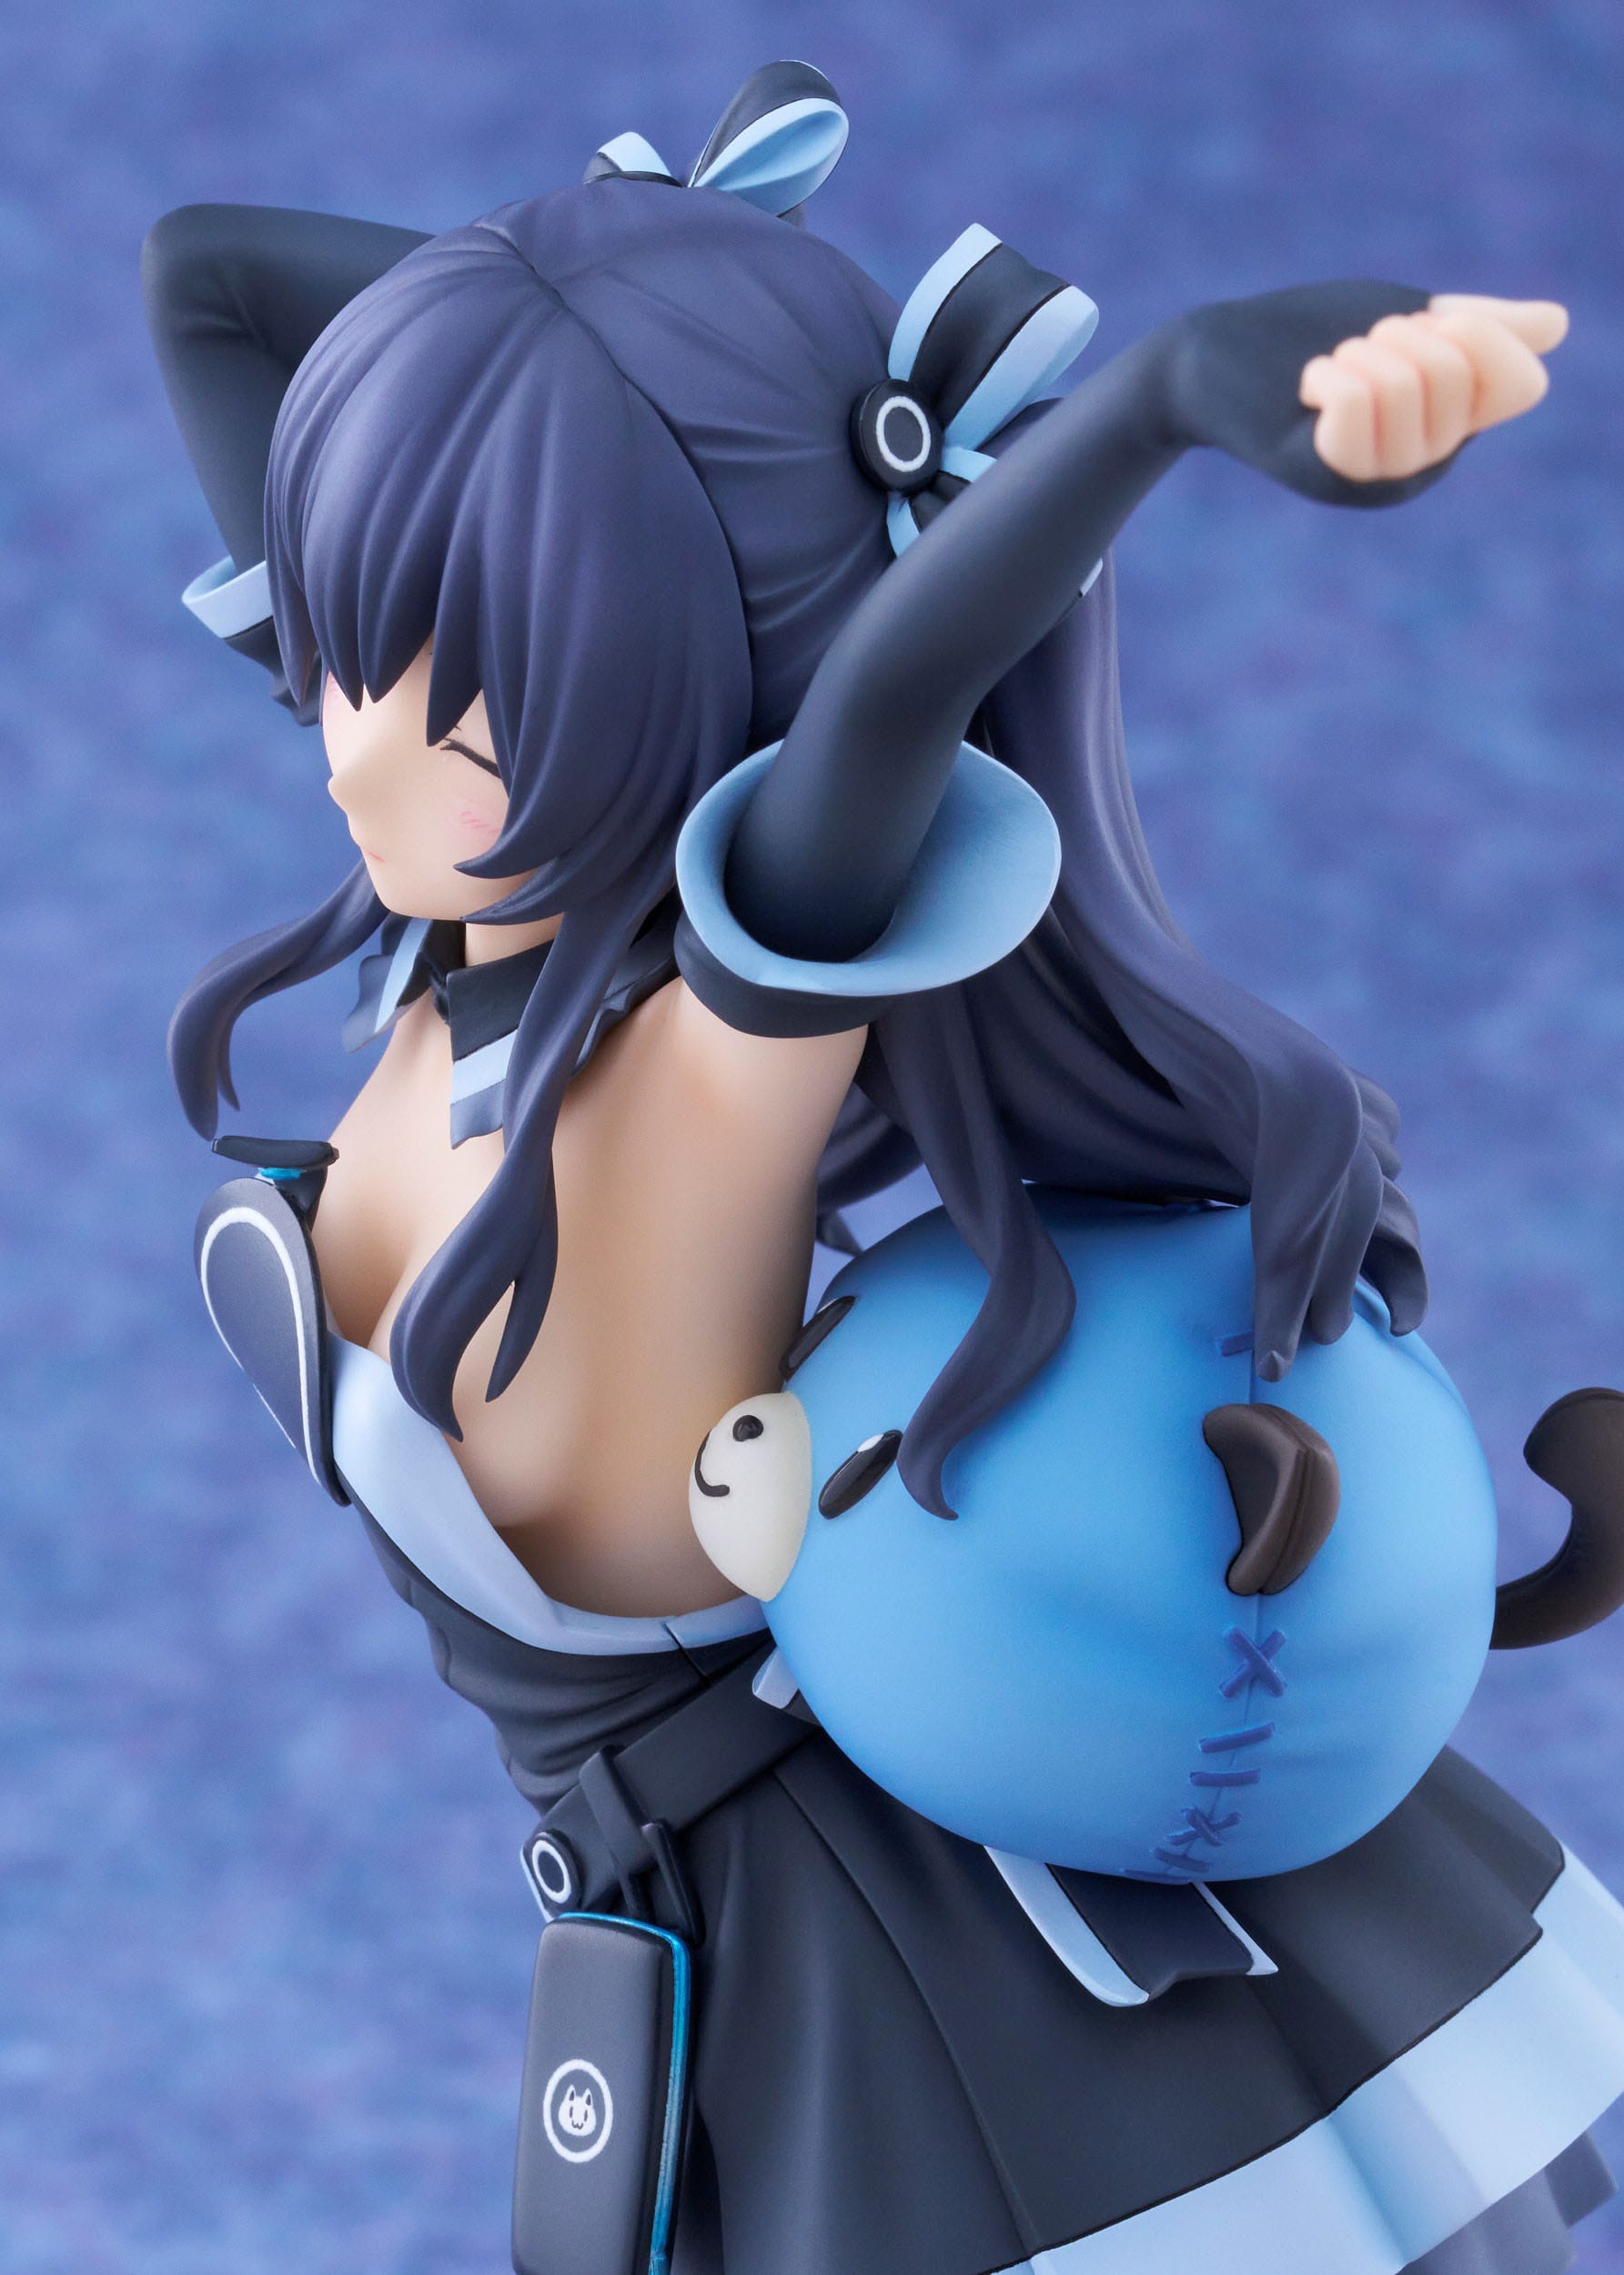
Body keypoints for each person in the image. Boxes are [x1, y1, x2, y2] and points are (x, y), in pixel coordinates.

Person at [148, 62, 1624, 2275]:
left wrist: (1146, 409)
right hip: (694, 1950)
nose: (348, 740)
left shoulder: (695, 1075)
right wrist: (611, 354)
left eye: (461, 694)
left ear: (686, 692)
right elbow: (204, 281)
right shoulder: (474, 937)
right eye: (354, 652)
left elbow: (877, 717)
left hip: (897, 2004)